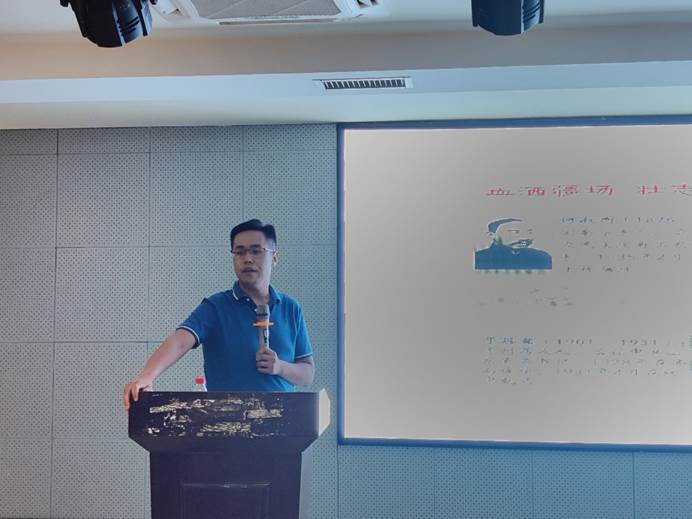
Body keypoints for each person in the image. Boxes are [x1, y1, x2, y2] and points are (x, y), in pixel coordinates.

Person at [123, 219, 315, 409]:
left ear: (274, 257)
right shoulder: (215, 307)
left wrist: (280, 367)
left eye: (256, 251)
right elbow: (180, 341)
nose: (248, 258)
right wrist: (146, 376)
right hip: (226, 420)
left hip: (283, 420)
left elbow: (307, 374)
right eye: (240, 252)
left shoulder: (291, 308)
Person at [474, 218, 552, 270]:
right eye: (515, 232)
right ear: (492, 235)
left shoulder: (541, 257)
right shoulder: (479, 258)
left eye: (529, 232)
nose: (524, 237)